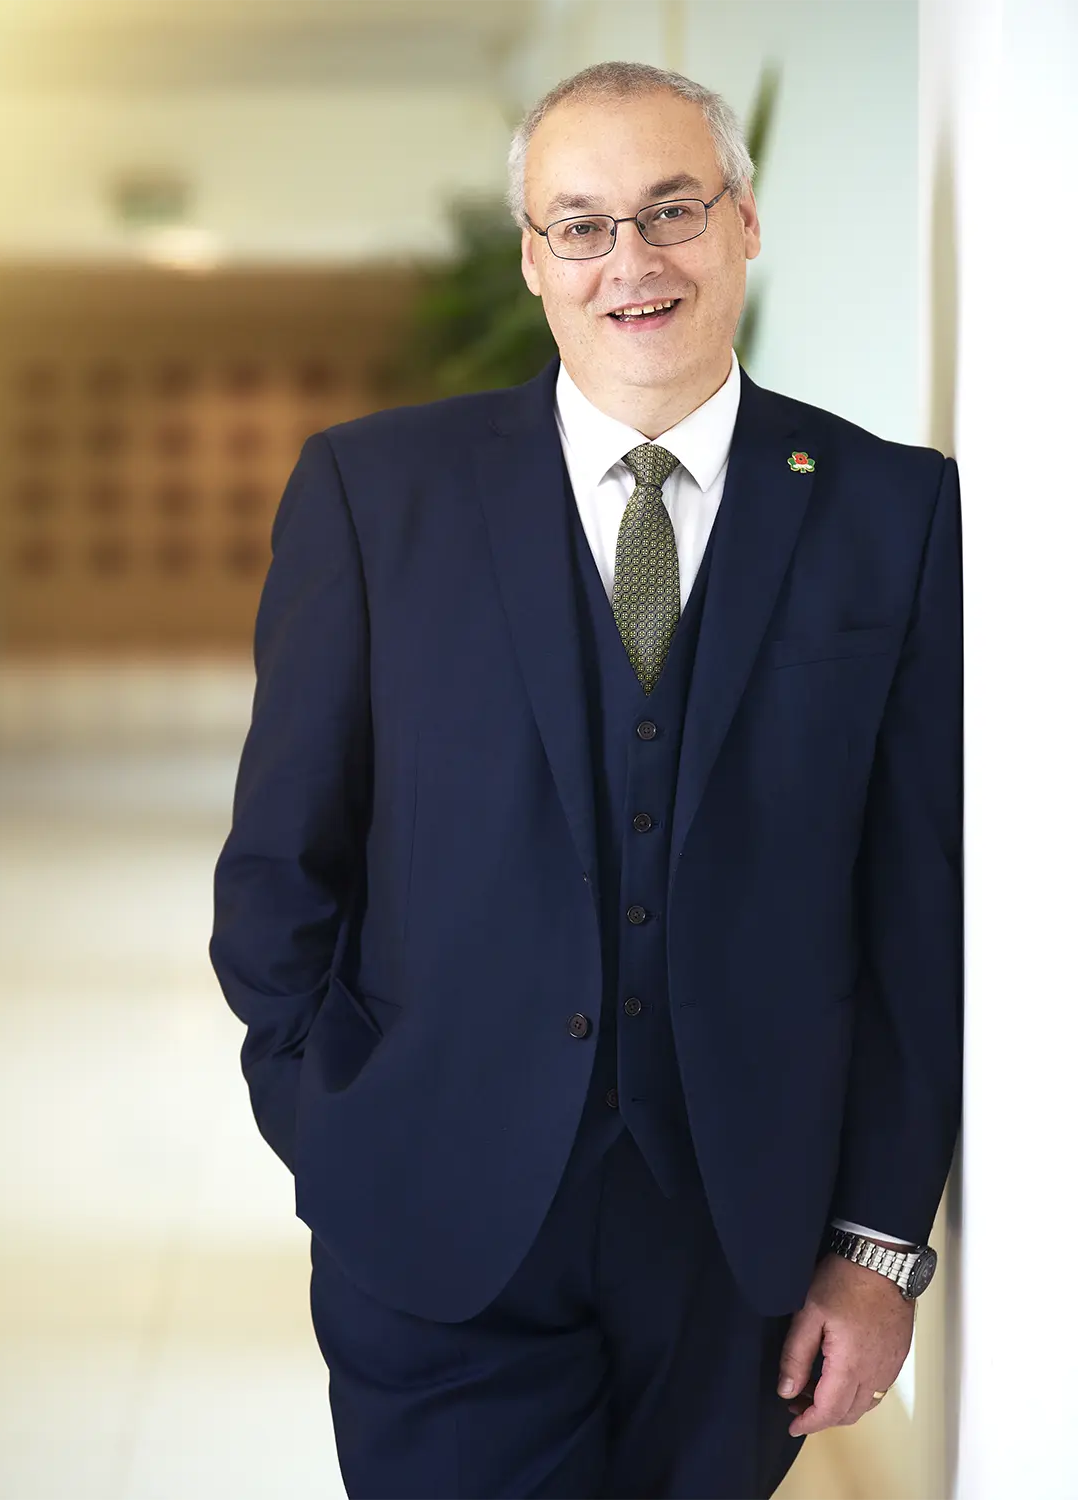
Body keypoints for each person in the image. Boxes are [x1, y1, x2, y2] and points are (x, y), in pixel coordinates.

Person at [210, 61, 962, 1500]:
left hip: (742, 1246)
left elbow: (917, 914)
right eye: (583, 224)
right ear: (534, 263)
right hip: (435, 1216)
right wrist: (340, 1129)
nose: (634, 261)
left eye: (673, 209)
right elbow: (279, 865)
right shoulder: (376, 498)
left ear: (745, 223)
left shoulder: (893, 514)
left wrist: (876, 1250)